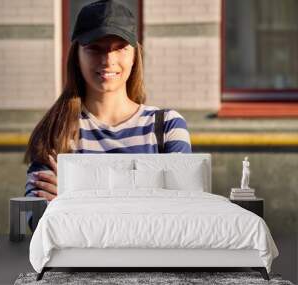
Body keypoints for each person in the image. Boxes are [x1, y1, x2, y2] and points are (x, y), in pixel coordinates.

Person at [24, 0, 192, 228]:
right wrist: (146, 198)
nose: (108, 60)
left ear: (135, 55)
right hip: (78, 264)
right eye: (95, 48)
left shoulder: (167, 126)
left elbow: (182, 215)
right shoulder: (56, 130)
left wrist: (74, 200)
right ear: (77, 55)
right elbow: (37, 223)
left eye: (120, 47)